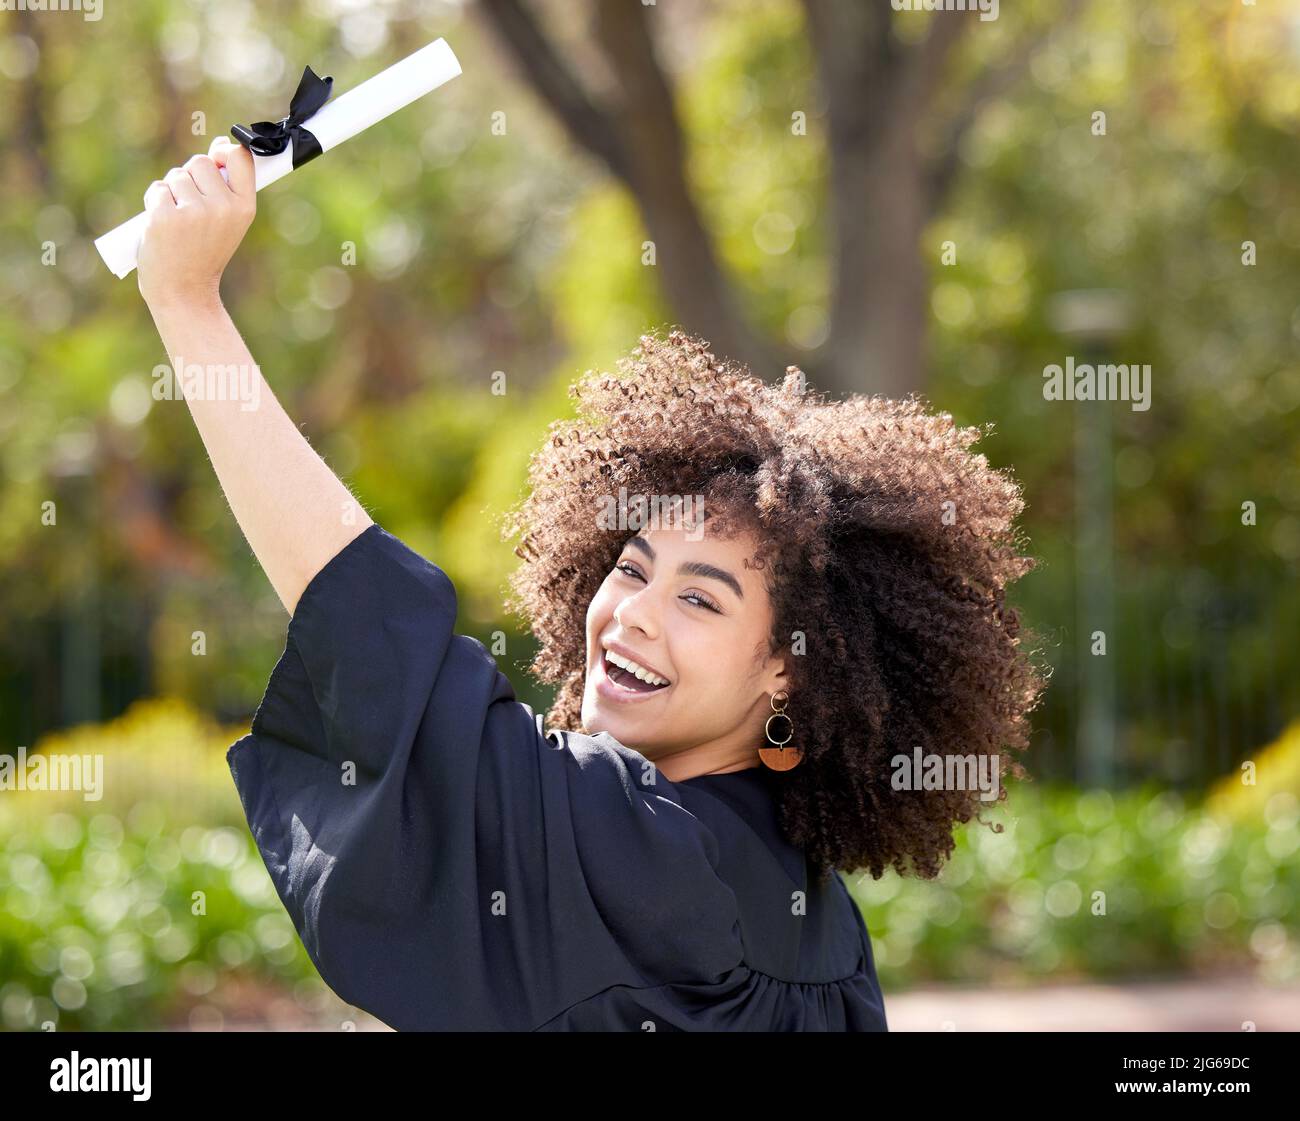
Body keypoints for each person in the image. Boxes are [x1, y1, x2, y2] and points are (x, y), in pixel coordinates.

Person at [136, 137, 1046, 1032]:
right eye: (632, 568)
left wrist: (188, 304)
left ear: (791, 671)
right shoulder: (819, 919)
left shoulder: (646, 851)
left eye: (700, 598)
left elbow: (374, 631)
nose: (633, 616)